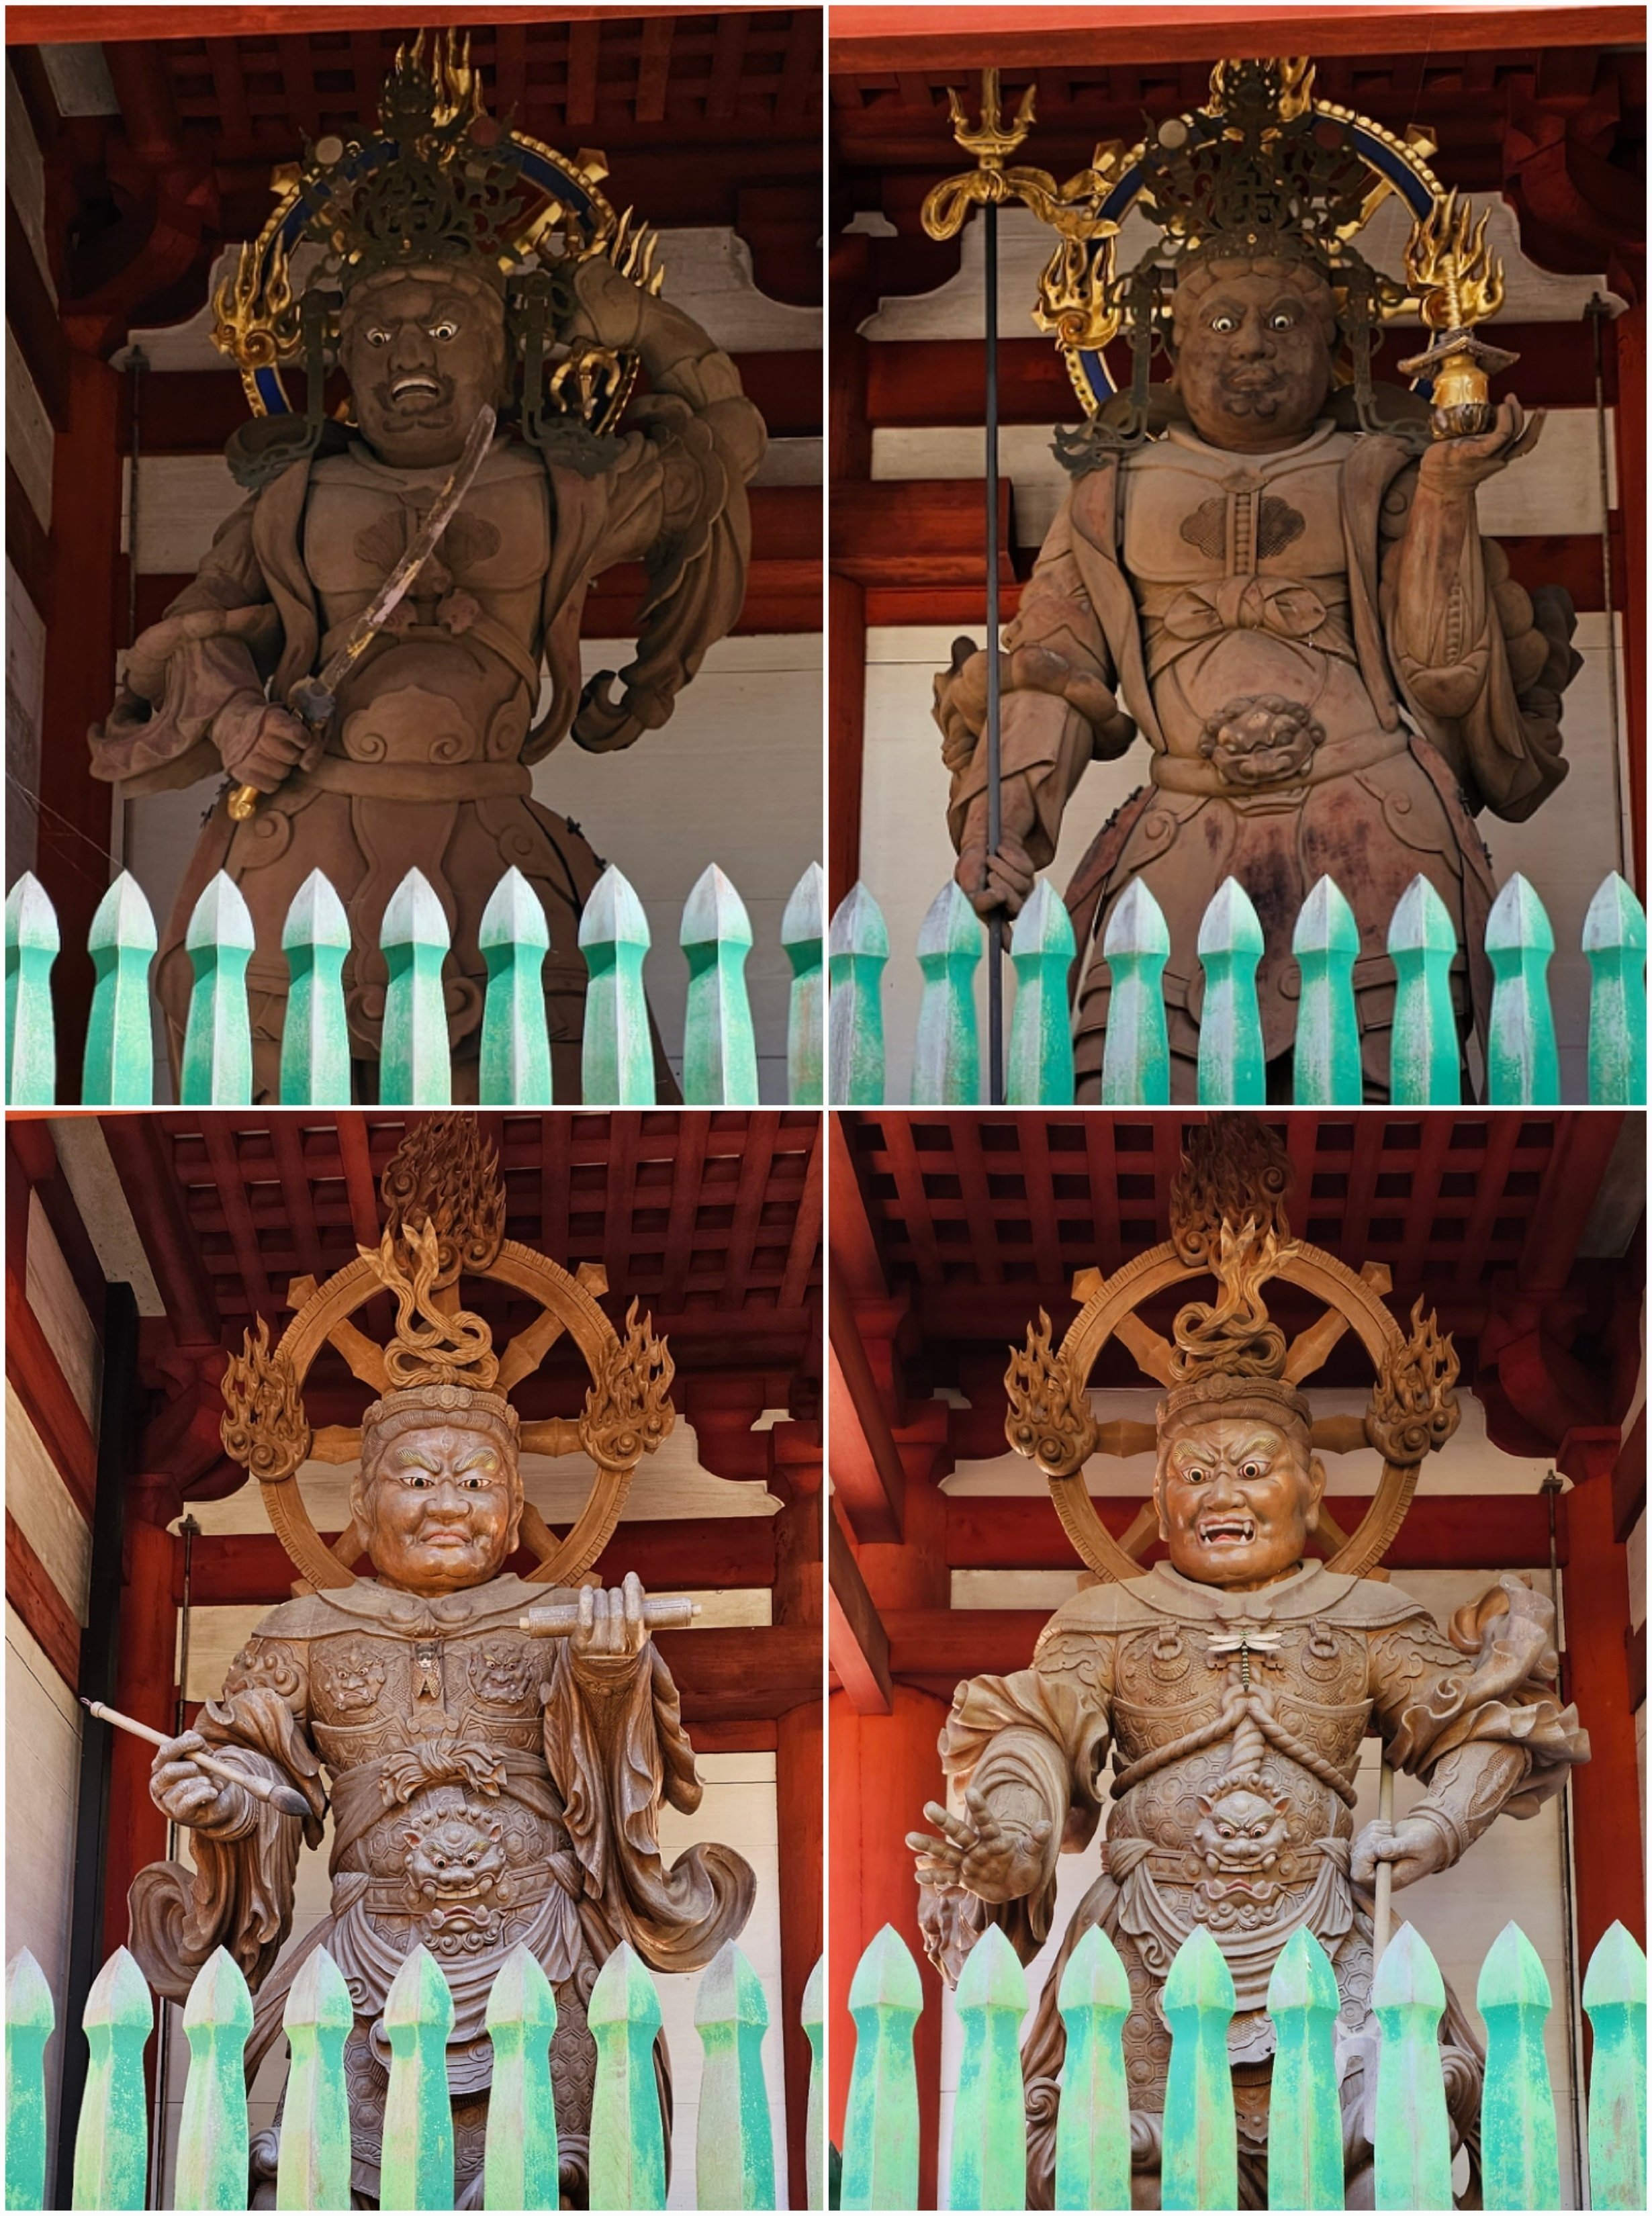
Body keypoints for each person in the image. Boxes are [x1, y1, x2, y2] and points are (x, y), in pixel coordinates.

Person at [90, 38, 763, 1100]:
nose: (410, 356)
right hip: (296, 843)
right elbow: (179, 648)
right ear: (337, 359)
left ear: (503, 351)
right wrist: (231, 721)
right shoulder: (294, 499)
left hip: (501, 838)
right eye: (378, 332)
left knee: (559, 1109)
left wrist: (638, 319)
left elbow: (726, 447)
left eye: (446, 326)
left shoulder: (562, 488)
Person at [933, 66, 1579, 1099]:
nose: (1251, 348)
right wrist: (998, 830)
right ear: (1168, 344)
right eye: (1221, 322)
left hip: (1374, 815)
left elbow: (1446, 676)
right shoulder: (1109, 498)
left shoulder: (1377, 474)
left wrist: (1449, 497)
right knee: (1133, 1093)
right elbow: (1049, 673)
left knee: (1385, 1105)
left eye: (1286, 323)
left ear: (1338, 346)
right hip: (1183, 826)